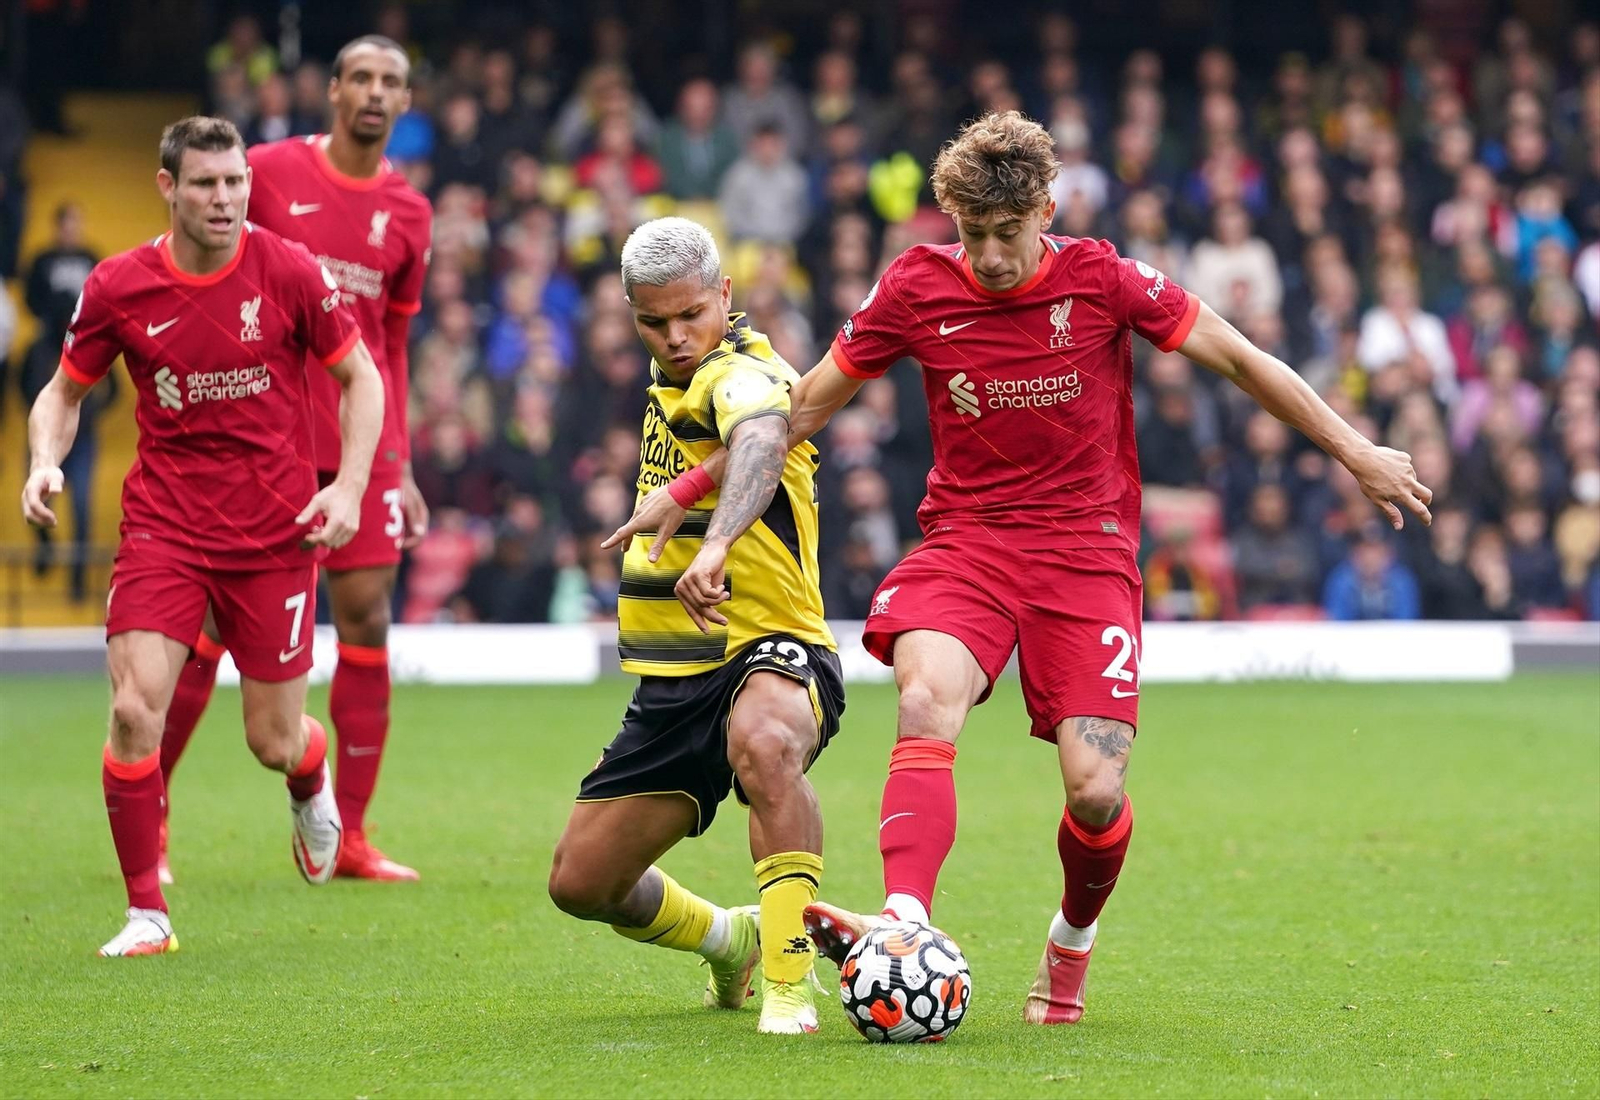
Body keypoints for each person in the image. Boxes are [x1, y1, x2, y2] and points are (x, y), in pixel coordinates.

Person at [614, 111, 1431, 1026]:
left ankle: (1070, 944)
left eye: (1009, 234)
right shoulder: (917, 287)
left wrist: (1356, 449)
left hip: (1086, 556)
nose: (992, 256)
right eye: (972, 235)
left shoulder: (1104, 278)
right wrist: (689, 487)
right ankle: (902, 922)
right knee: (924, 702)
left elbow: (1239, 359)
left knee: (1095, 789)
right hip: (967, 543)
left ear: (1046, 210)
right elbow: (800, 409)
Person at [19, 116, 385, 956]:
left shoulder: (288, 270)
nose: (224, 199)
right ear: (168, 188)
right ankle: (148, 913)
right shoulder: (118, 285)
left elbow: (357, 379)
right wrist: (43, 462)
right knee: (131, 708)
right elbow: (63, 395)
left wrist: (352, 485)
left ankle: (308, 770)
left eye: (235, 182)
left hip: (274, 537)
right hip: (165, 529)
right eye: (206, 184)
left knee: (271, 739)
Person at [548, 217, 845, 1035]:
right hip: (677, 679)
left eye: (692, 315)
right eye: (655, 322)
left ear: (725, 295)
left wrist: (714, 544)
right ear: (631, 312)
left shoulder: (745, 371)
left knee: (768, 743)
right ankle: (732, 938)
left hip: (773, 649)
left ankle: (789, 983)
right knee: (583, 885)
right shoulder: (667, 385)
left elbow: (760, 435)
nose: (678, 338)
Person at [157, 36, 434, 884]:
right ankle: (153, 811)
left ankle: (347, 837)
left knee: (368, 620)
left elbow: (391, 341)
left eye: (392, 82)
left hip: (361, 440)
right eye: (362, 79)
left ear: (406, 101)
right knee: (206, 625)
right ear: (333, 89)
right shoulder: (266, 172)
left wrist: (403, 461)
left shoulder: (411, 213)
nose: (375, 94)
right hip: (261, 434)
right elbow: (199, 267)